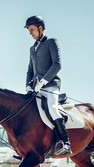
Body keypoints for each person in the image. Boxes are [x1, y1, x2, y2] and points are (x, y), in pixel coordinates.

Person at [25, 15, 72, 156]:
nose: (30, 32)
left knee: (52, 108)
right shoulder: (32, 49)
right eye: (29, 30)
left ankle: (65, 142)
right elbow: (29, 70)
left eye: (32, 29)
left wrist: (43, 81)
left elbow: (57, 64)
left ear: (40, 28)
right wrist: (28, 86)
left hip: (51, 86)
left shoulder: (52, 42)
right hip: (36, 89)